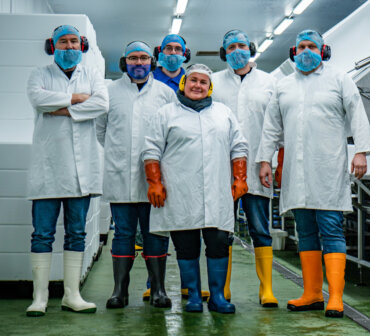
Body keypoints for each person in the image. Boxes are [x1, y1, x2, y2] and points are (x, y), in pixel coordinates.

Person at [257, 29, 370, 318]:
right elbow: (271, 127)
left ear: (323, 50)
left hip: (328, 168)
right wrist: (264, 160)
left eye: (312, 46)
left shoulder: (339, 79)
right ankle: (311, 293)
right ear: (293, 52)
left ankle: (335, 297)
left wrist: (360, 151)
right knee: (305, 231)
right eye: (301, 47)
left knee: (331, 229)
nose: (306, 51)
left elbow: (357, 113)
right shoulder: (284, 86)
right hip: (297, 172)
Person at [142, 64, 248, 313]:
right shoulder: (166, 113)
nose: (197, 85)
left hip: (217, 191)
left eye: (203, 82)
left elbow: (239, 147)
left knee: (219, 242)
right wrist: (154, 182)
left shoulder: (223, 113)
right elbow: (151, 150)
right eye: (193, 80)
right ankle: (192, 296)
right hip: (181, 192)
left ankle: (217, 296)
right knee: (186, 246)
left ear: (209, 87)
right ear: (183, 83)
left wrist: (240, 178)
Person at [25, 25, 109, 317]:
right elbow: (38, 99)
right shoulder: (40, 74)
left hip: (82, 173)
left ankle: (72, 294)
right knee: (42, 234)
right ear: (53, 45)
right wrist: (76, 99)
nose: (70, 46)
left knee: (75, 233)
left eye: (75, 41)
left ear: (82, 45)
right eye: (64, 41)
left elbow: (101, 103)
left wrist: (58, 106)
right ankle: (40, 296)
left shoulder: (93, 75)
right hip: (47, 170)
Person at [96, 41, 176, 309]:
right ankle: (120, 290)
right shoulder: (110, 92)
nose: (139, 63)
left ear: (151, 62)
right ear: (124, 62)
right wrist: (120, 153)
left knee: (155, 233)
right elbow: (100, 130)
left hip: (156, 179)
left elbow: (173, 133)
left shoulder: (165, 93)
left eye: (143, 58)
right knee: (123, 233)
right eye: (133, 58)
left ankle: (158, 290)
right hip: (120, 175)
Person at [212, 29, 278, 307]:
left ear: (251, 48)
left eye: (241, 45)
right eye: (231, 47)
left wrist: (268, 161)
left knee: (260, 229)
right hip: (220, 169)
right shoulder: (214, 82)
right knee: (221, 230)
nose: (237, 50)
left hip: (257, 168)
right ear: (224, 52)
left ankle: (266, 290)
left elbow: (275, 126)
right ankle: (222, 289)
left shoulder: (269, 82)